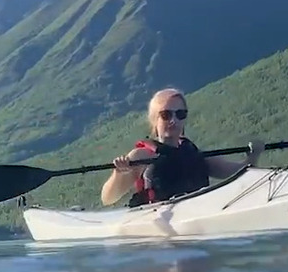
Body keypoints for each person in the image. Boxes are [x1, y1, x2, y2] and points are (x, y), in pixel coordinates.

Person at [100, 88, 265, 207]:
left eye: (180, 114)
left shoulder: (193, 153)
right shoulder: (141, 156)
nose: (173, 120)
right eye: (166, 115)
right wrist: (118, 174)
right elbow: (108, 198)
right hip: (159, 233)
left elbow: (240, 172)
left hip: (195, 221)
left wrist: (253, 156)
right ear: (154, 120)